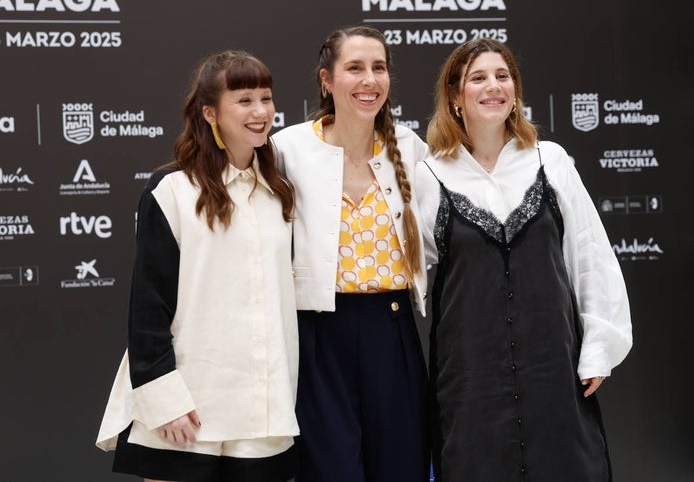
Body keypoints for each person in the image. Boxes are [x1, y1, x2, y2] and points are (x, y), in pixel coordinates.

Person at [415, 38, 633, 481]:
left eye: (503, 76)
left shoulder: (549, 161)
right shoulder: (429, 175)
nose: (493, 86)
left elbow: (589, 255)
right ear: (455, 98)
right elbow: (409, 270)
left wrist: (597, 348)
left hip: (553, 370)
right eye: (478, 78)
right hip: (471, 378)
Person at [96, 51, 299, 482]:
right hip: (187, 408)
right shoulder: (171, 190)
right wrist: (162, 398)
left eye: (266, 98)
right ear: (210, 112)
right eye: (244, 100)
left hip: (263, 411)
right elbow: (147, 308)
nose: (261, 111)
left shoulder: (280, 193)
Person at [272, 25, 430, 482]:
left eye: (378, 68)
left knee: (402, 467)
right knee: (330, 470)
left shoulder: (410, 147)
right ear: (327, 80)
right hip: (319, 336)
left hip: (393, 328)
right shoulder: (288, 148)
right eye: (354, 68)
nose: (369, 80)